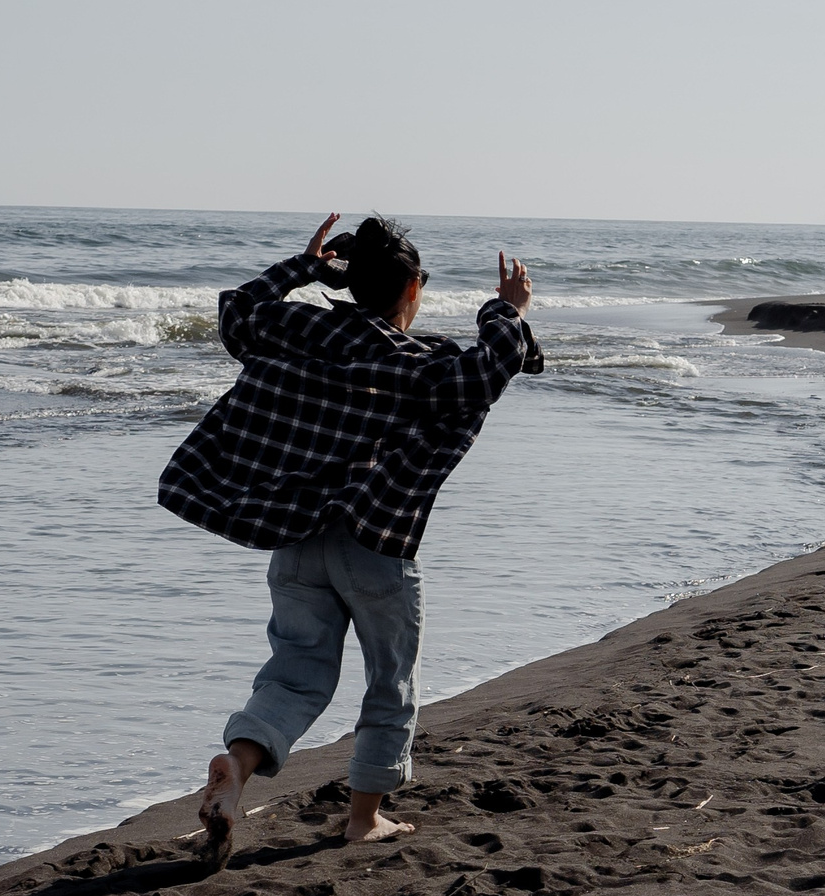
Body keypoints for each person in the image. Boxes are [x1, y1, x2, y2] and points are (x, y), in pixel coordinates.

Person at [159, 213, 541, 862]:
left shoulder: (296, 327)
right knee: (390, 678)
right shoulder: (417, 363)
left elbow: (237, 312)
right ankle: (365, 818)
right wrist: (504, 308)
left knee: (294, 671)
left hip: (298, 536)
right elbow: (490, 369)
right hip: (376, 541)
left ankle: (237, 770)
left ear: (349, 279)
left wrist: (305, 266)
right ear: (412, 290)